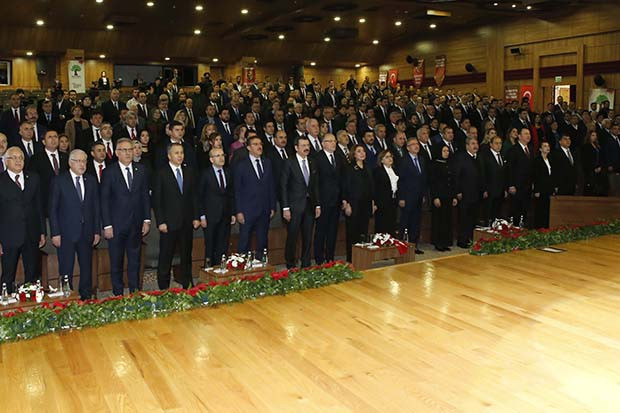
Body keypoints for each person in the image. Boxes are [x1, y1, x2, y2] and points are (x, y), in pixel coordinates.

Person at [101, 138, 151, 296]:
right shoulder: (110, 171)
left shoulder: (141, 169)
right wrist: (107, 225)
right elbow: (104, 200)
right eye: (124, 150)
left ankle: (135, 291)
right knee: (116, 261)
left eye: (130, 149)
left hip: (136, 223)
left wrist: (147, 219)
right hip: (116, 225)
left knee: (135, 260)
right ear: (116, 153)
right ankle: (118, 293)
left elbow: (144, 196)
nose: (128, 153)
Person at [49, 149, 100, 300]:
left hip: (87, 232)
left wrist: (96, 230)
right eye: (78, 161)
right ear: (70, 163)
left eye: (84, 161)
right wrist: (55, 233)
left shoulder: (91, 180)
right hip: (66, 233)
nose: (82, 164)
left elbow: (95, 208)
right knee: (66, 268)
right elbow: (53, 209)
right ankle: (67, 298)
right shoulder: (59, 181)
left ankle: (86, 296)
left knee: (86, 267)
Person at [152, 142, 201, 289]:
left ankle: (187, 283)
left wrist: (196, 217)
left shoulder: (189, 171)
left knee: (186, 255)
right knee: (166, 257)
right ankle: (163, 287)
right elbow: (157, 200)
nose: (180, 156)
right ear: (169, 156)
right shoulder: (161, 173)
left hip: (186, 222)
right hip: (169, 223)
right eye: (176, 153)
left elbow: (194, 197)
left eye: (181, 153)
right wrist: (161, 221)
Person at [0, 147, 46, 293]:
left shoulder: (33, 177)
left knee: (32, 274)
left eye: (21, 157)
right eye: (14, 158)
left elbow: (39, 206)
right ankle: (5, 306)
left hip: (31, 234)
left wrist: (42, 232)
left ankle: (30, 303)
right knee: (8, 275)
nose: (19, 160)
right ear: (6, 161)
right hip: (8, 235)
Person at [280, 135, 321, 268]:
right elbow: (283, 186)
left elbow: (315, 186)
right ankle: (290, 263)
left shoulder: (312, 162)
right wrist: (285, 207)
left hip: (309, 205)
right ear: (296, 147)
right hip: (294, 206)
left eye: (307, 145)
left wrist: (318, 204)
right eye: (303, 145)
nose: (306, 148)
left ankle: (306, 263)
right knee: (292, 236)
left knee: (308, 236)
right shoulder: (289, 162)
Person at [233, 136, 276, 260]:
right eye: (255, 144)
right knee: (244, 240)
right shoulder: (241, 165)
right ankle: (242, 266)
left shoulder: (267, 162)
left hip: (264, 209)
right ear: (248, 148)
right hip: (247, 210)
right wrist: (239, 211)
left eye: (260, 144)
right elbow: (237, 189)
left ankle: (261, 265)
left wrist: (272, 206)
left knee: (262, 240)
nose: (259, 146)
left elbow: (271, 186)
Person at [199, 147, 235, 267]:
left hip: (225, 215)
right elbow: (200, 196)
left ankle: (221, 269)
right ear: (211, 159)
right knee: (210, 245)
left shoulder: (228, 172)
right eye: (217, 156)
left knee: (223, 245)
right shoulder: (205, 174)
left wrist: (233, 213)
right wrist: (202, 215)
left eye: (222, 155)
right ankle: (209, 270)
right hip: (210, 216)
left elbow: (231, 194)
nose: (221, 158)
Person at [313, 133, 342, 264]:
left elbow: (342, 180)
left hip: (336, 201)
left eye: (334, 141)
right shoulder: (317, 158)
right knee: (321, 231)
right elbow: (315, 183)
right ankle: (319, 258)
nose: (333, 143)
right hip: (323, 201)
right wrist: (317, 203)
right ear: (323, 143)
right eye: (330, 141)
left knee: (333, 231)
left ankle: (330, 257)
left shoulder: (338, 157)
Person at [342, 144, 375, 262]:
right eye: (359, 151)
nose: (362, 153)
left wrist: (372, 202)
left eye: (363, 151)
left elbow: (371, 187)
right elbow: (345, 187)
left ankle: (362, 257)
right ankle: (351, 258)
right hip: (354, 203)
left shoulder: (368, 167)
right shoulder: (350, 168)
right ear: (354, 154)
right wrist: (347, 203)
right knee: (352, 232)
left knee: (363, 231)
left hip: (366, 204)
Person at [453, 137, 487, 248]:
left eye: (476, 143)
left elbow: (482, 176)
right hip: (465, 193)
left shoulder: (479, 158)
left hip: (476, 194)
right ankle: (462, 240)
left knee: (473, 218)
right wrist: (458, 191)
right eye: (472, 144)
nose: (475, 146)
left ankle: (471, 239)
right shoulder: (461, 158)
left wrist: (484, 189)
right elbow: (457, 176)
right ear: (467, 145)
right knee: (464, 218)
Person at [27, 130, 69, 216]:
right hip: (45, 201)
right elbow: (32, 181)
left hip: (65, 202)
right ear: (43, 141)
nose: (53, 139)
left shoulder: (66, 157)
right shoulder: (36, 158)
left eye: (55, 137)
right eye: (50, 137)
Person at [398, 137, 427, 254]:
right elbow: (400, 181)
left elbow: (423, 179)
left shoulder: (421, 159)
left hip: (418, 196)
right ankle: (402, 246)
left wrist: (424, 194)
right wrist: (401, 197)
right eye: (413, 144)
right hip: (407, 196)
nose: (416, 146)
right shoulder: (403, 161)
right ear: (408, 147)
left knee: (416, 222)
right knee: (405, 222)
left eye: (417, 144)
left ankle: (414, 246)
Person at [430, 146, 457, 251]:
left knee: (447, 219)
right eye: (444, 151)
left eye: (447, 151)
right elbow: (433, 182)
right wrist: (435, 196)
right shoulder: (435, 164)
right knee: (439, 219)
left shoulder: (449, 163)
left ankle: (446, 242)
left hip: (448, 195)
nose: (446, 153)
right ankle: (438, 243)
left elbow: (453, 181)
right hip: (439, 196)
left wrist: (454, 196)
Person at [507, 127, 534, 226]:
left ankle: (523, 229)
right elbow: (510, 169)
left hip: (527, 186)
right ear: (519, 136)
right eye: (526, 134)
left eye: (529, 134)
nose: (528, 136)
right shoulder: (513, 150)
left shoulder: (530, 149)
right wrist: (511, 185)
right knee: (516, 210)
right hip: (517, 186)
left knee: (525, 210)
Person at [482, 135, 508, 223]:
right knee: (489, 214)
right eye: (496, 143)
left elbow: (504, 174)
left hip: (500, 191)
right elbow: (483, 174)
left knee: (498, 214)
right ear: (491, 144)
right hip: (490, 191)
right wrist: (484, 189)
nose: (499, 145)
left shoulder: (502, 156)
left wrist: (504, 189)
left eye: (500, 143)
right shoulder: (486, 157)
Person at [373, 150, 399, 235]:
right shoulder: (378, 171)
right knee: (382, 226)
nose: (390, 158)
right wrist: (376, 203)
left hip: (393, 201)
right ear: (381, 160)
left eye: (391, 156)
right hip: (382, 203)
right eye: (387, 157)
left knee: (392, 224)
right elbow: (376, 189)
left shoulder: (395, 169)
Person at [533, 141, 555, 229]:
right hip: (540, 189)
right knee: (540, 209)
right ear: (540, 149)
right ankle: (538, 228)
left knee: (547, 209)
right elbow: (536, 176)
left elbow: (552, 175)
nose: (547, 147)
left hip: (548, 189)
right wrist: (536, 190)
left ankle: (546, 227)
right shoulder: (537, 160)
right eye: (545, 146)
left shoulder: (550, 159)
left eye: (548, 146)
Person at [581, 130, 608, 196]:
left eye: (595, 135)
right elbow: (585, 160)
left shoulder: (598, 146)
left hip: (599, 169)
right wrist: (593, 168)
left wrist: (600, 166)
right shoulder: (586, 146)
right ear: (589, 136)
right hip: (590, 170)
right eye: (593, 135)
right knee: (591, 188)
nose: (594, 137)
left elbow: (601, 157)